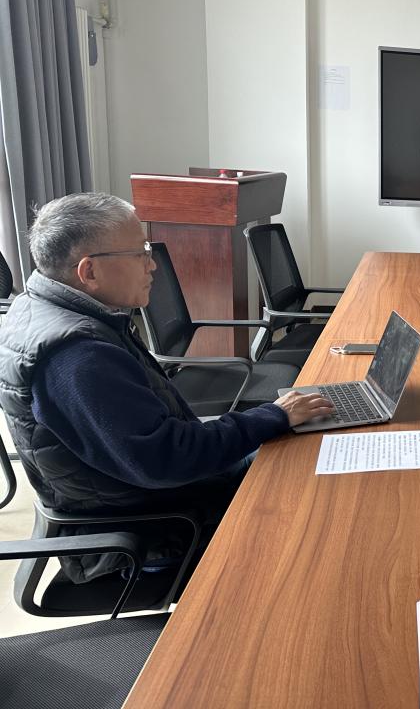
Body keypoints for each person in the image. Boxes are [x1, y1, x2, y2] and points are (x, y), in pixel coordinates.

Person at [0, 192, 335, 584]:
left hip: (150, 498)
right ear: (88, 271)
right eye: (139, 253)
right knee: (321, 514)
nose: (152, 264)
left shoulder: (44, 308)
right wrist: (273, 416)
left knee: (305, 453)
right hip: (155, 534)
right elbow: (168, 458)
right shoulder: (78, 356)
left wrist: (269, 421)